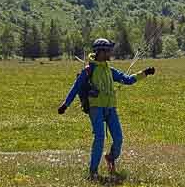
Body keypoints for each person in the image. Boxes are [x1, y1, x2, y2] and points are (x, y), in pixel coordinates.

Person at [58, 38, 154, 179]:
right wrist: (65, 105)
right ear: (100, 52)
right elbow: (76, 87)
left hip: (111, 108)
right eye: (108, 50)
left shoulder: (110, 70)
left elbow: (127, 80)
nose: (111, 52)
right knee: (100, 138)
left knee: (119, 138)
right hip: (96, 108)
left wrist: (144, 73)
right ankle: (93, 171)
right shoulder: (88, 71)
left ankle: (110, 157)